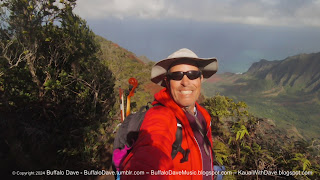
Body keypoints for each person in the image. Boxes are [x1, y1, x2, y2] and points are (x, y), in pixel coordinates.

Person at [120, 48, 218, 179]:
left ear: (200, 78)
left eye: (192, 74)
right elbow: (148, 157)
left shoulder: (203, 115)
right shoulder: (161, 115)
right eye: (177, 76)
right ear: (167, 81)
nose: (185, 82)